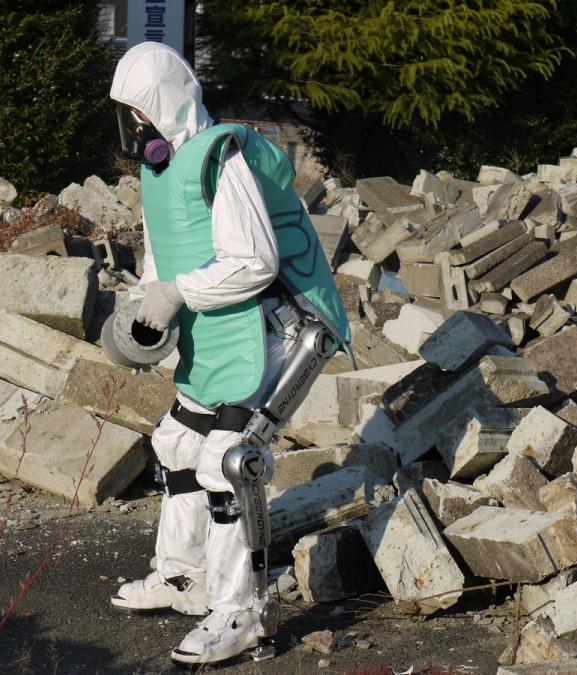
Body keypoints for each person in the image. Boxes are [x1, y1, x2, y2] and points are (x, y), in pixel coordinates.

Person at [108, 41, 351, 665]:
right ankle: (184, 577)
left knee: (230, 459)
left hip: (288, 326)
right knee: (175, 443)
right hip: (226, 327)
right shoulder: (162, 173)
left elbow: (255, 262)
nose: (133, 130)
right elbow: (167, 257)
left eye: (137, 114)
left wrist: (175, 294)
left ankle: (244, 612)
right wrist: (146, 307)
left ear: (159, 108)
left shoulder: (223, 157)